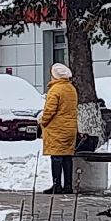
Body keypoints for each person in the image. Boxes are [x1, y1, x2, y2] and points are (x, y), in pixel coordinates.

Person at [37, 64, 78, 194]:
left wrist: (43, 122)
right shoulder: (71, 89)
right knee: (67, 157)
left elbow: (50, 110)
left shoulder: (55, 90)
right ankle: (68, 186)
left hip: (57, 128)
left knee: (56, 157)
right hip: (70, 128)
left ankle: (56, 185)